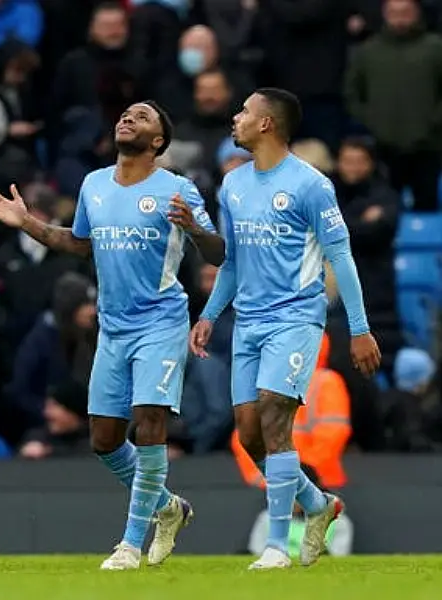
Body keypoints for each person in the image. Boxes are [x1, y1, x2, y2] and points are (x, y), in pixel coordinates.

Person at [0, 101, 225, 570]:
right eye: (125, 114)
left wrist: (194, 226)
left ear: (158, 141)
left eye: (143, 117)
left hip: (161, 320)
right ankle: (168, 507)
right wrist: (27, 222)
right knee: (104, 439)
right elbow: (78, 244)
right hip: (113, 326)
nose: (127, 118)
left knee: (149, 419)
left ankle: (130, 545)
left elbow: (217, 252)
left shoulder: (177, 189)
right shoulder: (94, 184)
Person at [190, 88, 381, 570]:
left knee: (276, 419)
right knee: (250, 435)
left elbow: (342, 257)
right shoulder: (233, 187)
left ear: (267, 124)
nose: (236, 119)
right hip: (248, 323)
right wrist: (210, 315)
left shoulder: (311, 185)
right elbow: (232, 262)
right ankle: (318, 505)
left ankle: (277, 546)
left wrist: (359, 329)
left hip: (296, 318)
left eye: (244, 112)